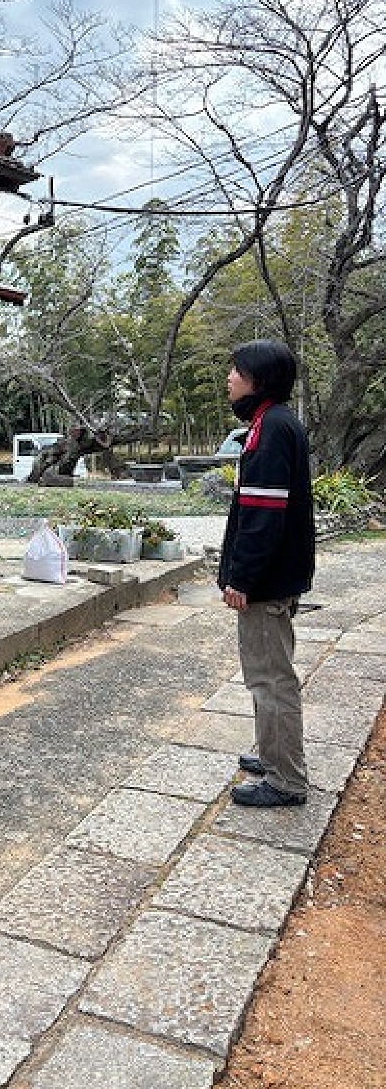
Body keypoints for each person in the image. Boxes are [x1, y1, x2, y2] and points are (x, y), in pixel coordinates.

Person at [218, 339, 316, 807]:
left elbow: (262, 516)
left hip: (267, 581)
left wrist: (242, 579)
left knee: (270, 677)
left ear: (258, 380)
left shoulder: (270, 430)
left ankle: (285, 779)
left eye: (236, 372)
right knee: (272, 672)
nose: (229, 379)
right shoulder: (276, 422)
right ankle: (274, 752)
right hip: (280, 575)